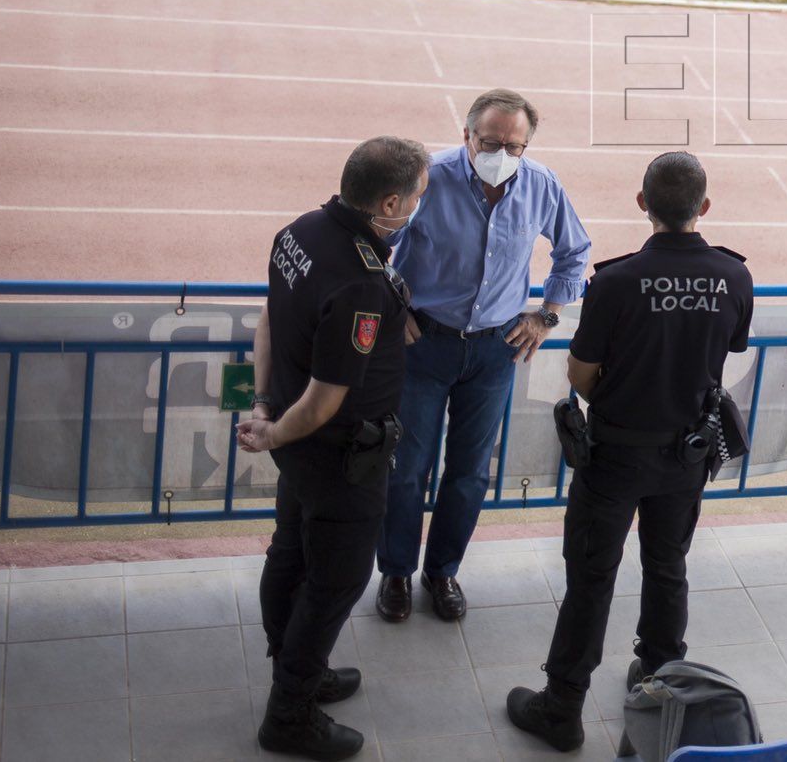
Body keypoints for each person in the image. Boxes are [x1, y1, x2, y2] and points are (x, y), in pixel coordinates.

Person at [505, 153, 755, 752]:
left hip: (615, 455)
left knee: (591, 578)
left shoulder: (614, 282)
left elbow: (583, 371)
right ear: (705, 207)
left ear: (642, 204)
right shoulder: (735, 277)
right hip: (687, 456)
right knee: (668, 569)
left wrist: (619, 405)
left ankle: (561, 708)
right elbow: (729, 352)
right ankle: (661, 682)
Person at [241, 136, 430, 760]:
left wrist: (265, 405)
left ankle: (295, 670)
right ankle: (289, 714)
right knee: (336, 581)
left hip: (297, 444)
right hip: (339, 455)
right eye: (417, 199)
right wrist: (273, 426)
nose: (416, 210)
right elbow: (326, 398)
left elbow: (269, 318)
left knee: (291, 551)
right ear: (391, 200)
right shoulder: (360, 283)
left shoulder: (300, 231)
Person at [375, 90, 591, 626]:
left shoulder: (541, 184)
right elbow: (375, 240)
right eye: (491, 142)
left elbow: (574, 251)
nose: (502, 153)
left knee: (470, 472)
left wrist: (547, 314)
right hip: (424, 342)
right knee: (406, 470)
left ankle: (442, 572)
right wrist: (392, 303)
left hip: (495, 350)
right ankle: (396, 572)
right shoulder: (429, 178)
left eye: (514, 145)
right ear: (466, 135)